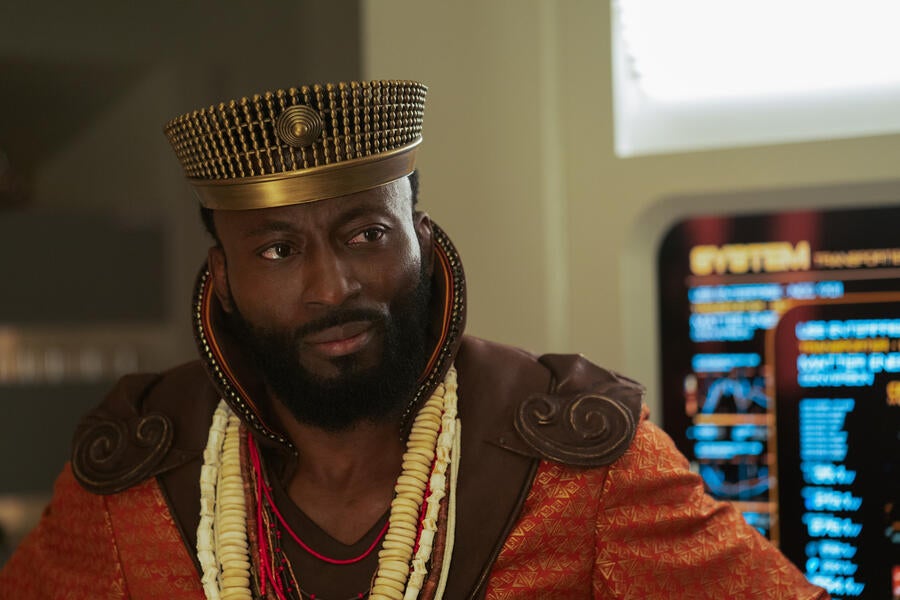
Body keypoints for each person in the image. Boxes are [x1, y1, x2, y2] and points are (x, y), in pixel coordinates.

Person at [0, 79, 829, 599]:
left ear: (421, 241)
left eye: (365, 235)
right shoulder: (139, 467)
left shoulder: (573, 449)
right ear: (223, 276)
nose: (332, 287)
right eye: (279, 251)